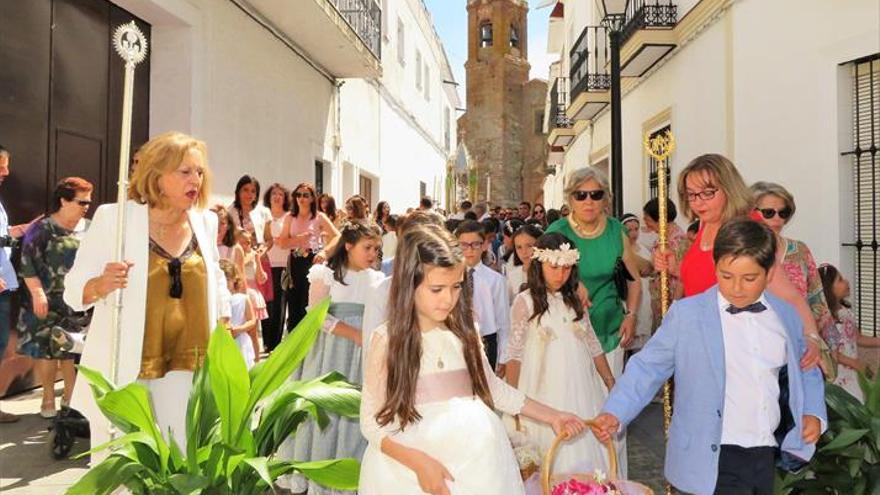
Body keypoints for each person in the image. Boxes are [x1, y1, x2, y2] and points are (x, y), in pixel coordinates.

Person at [592, 218, 826, 495]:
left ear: (770, 272)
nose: (737, 288)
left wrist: (812, 411)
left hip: (764, 450)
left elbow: (806, 366)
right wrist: (615, 411)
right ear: (715, 266)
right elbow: (647, 368)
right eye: (727, 276)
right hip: (710, 453)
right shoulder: (688, 315)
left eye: (749, 278)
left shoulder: (785, 315)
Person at [358, 225, 587, 495]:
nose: (448, 299)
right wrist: (418, 463)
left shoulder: (465, 333)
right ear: (410, 283)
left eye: (456, 287)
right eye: (436, 289)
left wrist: (553, 416)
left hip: (475, 461)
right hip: (407, 467)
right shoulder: (387, 340)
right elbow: (370, 421)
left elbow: (493, 388)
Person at [64, 131, 231, 451]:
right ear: (156, 175)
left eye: (199, 172)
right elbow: (73, 291)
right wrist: (100, 284)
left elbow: (216, 280)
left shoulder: (205, 222)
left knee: (183, 462)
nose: (195, 180)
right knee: (126, 469)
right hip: (128, 368)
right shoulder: (115, 220)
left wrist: (224, 325)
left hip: (190, 370)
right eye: (184, 172)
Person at [653, 155, 822, 369]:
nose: (698, 202)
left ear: (728, 188)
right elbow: (705, 279)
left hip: (737, 351)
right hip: (700, 344)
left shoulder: (744, 230)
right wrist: (674, 268)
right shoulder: (705, 224)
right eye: (692, 195)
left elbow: (788, 294)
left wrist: (811, 337)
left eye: (707, 193)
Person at [282, 221, 384, 494]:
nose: (373, 253)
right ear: (348, 245)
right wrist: (352, 333)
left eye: (377, 248)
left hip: (362, 353)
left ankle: (352, 474)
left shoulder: (376, 279)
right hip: (331, 351)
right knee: (327, 407)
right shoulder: (325, 274)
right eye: (367, 247)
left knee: (356, 407)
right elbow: (317, 314)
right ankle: (319, 472)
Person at [505, 233, 615, 475]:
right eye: (553, 267)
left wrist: (609, 381)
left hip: (580, 388)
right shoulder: (525, 302)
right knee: (549, 458)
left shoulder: (575, 300)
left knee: (584, 450)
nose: (560, 274)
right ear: (539, 265)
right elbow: (514, 355)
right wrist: (512, 404)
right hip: (543, 389)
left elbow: (593, 344)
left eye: (566, 268)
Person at [16, 177, 94, 418]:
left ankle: (71, 399)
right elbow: (27, 262)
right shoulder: (42, 229)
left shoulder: (90, 228)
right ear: (63, 200)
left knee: (71, 350)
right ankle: (48, 397)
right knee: (46, 350)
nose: (86, 207)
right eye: (81, 202)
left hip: (78, 301)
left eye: (88, 202)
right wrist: (38, 293)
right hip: (46, 300)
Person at [751, 181, 836, 342]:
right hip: (757, 340)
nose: (777, 218)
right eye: (769, 212)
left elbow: (816, 297)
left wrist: (826, 345)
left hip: (800, 339)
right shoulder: (743, 251)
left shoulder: (800, 250)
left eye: (783, 212)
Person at [277, 183, 339, 331]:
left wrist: (325, 252)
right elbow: (282, 243)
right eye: (298, 195)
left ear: (312, 198)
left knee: (310, 303)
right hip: (295, 261)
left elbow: (338, 236)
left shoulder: (319, 217)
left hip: (312, 261)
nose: (301, 198)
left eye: (305, 195)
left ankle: (311, 345)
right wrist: (298, 239)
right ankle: (294, 346)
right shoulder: (289, 218)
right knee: (294, 304)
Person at [819, 263, 880, 402]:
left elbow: (857, 337)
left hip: (853, 370)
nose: (846, 282)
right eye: (840, 280)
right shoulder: (827, 318)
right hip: (839, 374)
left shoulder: (845, 312)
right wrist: (854, 363)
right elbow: (830, 351)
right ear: (828, 289)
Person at [454, 220, 509, 371]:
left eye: (475, 244)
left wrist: (503, 356)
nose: (469, 250)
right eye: (464, 245)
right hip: (456, 338)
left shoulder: (496, 280)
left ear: (484, 245)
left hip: (486, 340)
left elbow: (503, 320)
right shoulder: (450, 277)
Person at [642, 198, 689, 330]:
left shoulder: (677, 241)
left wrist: (675, 305)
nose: (646, 223)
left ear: (660, 219)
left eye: (648, 219)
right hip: (660, 302)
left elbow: (682, 277)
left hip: (672, 302)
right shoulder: (662, 239)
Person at [262, 183, 291, 352]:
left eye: (280, 194)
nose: (277, 196)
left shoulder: (288, 217)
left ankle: (275, 343)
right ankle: (266, 341)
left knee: (279, 304)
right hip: (265, 265)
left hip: (282, 266)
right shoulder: (264, 216)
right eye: (274, 193)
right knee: (265, 303)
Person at [620, 213, 653, 350]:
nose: (633, 233)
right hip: (625, 295)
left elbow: (650, 270)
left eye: (636, 229)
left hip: (644, 296)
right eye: (629, 230)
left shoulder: (644, 250)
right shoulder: (620, 250)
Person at [218, 259, 256, 369]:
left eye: (228, 280)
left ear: (234, 279)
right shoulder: (217, 300)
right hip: (223, 341)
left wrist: (238, 329)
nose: (225, 284)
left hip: (240, 341)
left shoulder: (243, 299)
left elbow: (252, 320)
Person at [235, 229, 266, 361]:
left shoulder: (253, 255)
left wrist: (257, 260)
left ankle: (256, 360)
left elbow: (261, 278)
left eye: (248, 242)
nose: (246, 245)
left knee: (253, 331)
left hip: (251, 293)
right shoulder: (235, 253)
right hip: (236, 293)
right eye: (242, 242)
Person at [228, 175, 272, 245]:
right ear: (238, 191)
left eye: (253, 191)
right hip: (235, 254)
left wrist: (261, 251)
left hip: (258, 254)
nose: (249, 194)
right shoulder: (229, 212)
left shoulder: (264, 212)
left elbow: (269, 240)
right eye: (245, 190)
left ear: (256, 196)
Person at [504, 224, 542, 301]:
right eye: (519, 247)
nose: (524, 252)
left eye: (529, 246)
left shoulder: (550, 273)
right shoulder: (513, 276)